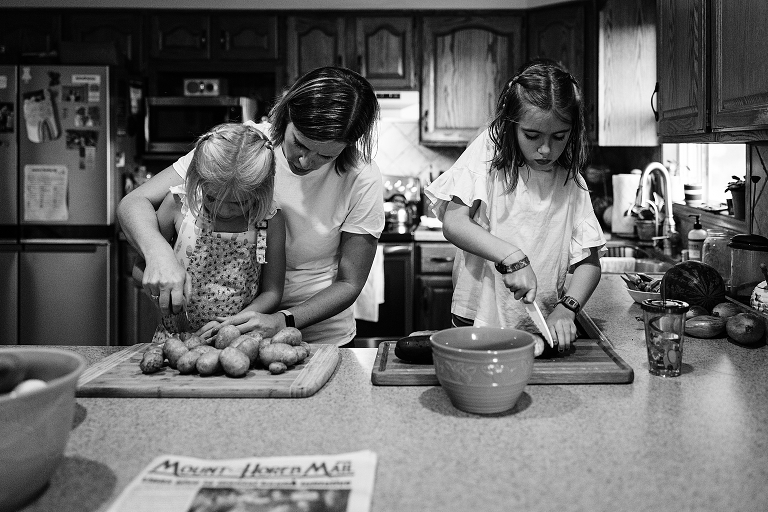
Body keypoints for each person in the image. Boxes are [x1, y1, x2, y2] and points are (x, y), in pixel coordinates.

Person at [118, 67, 384, 345]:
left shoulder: (361, 177)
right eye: (300, 144)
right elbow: (134, 203)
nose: (306, 162)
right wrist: (159, 255)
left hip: (321, 336)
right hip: (227, 336)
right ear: (287, 114)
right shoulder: (242, 148)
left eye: (326, 155)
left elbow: (350, 282)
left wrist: (283, 319)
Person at [425, 58, 605, 353]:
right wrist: (511, 256)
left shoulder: (571, 181)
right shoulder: (488, 154)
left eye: (559, 136)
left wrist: (568, 307)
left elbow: (589, 263)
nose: (546, 149)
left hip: (541, 321)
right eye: (532, 136)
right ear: (511, 126)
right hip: (476, 316)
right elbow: (455, 224)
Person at [148, 123, 285, 343]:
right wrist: (161, 287)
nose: (224, 210)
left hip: (237, 340)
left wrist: (232, 325)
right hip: (173, 340)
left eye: (238, 203)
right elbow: (140, 268)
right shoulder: (177, 205)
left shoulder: (269, 221)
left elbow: (272, 292)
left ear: (261, 192)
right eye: (212, 199)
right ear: (197, 181)